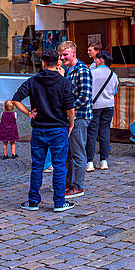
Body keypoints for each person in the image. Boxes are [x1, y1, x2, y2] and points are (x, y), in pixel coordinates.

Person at [11, 50, 76, 212]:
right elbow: (70, 108)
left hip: (39, 129)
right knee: (60, 166)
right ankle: (59, 202)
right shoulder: (64, 82)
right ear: (58, 63)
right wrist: (71, 124)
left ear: (43, 62)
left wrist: (28, 113)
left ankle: (33, 201)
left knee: (37, 166)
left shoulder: (33, 81)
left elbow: (16, 99)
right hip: (58, 128)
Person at [57, 40, 91, 199]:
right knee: (69, 152)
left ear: (73, 53)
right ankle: (68, 184)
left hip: (79, 117)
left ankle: (78, 186)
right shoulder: (69, 70)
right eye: (61, 55)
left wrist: (67, 109)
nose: (62, 58)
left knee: (77, 152)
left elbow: (84, 98)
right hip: (70, 117)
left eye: (65, 54)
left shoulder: (82, 70)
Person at [87, 49, 119, 171]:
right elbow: (114, 92)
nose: (94, 61)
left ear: (101, 60)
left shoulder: (92, 73)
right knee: (105, 133)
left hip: (95, 106)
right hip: (108, 106)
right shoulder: (113, 75)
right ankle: (103, 160)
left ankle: (90, 162)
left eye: (96, 59)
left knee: (92, 133)